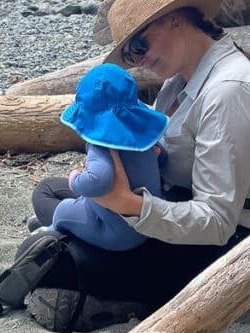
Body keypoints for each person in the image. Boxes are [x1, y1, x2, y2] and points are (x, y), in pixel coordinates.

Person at [24, 0, 250, 332]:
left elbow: (218, 222)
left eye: (139, 45)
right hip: (173, 204)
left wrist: (128, 204)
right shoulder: (178, 82)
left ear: (175, 18)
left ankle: (90, 247)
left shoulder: (230, 91)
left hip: (230, 239)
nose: (139, 61)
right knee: (48, 192)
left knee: (57, 262)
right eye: (130, 55)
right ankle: (87, 237)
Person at [44, 63, 169, 251]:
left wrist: (74, 178)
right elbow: (163, 157)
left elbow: (98, 181)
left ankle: (53, 231)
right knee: (63, 195)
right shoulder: (143, 136)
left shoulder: (101, 146)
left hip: (117, 234)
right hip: (148, 223)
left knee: (63, 209)